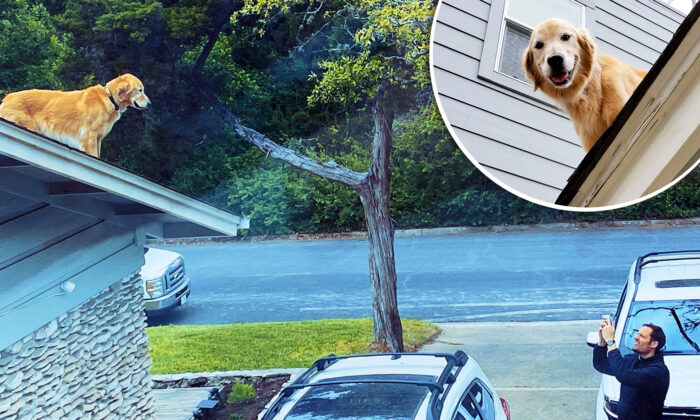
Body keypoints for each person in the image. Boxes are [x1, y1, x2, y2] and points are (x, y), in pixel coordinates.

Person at [593, 319, 670, 420]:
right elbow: (601, 364)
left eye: (641, 336)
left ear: (653, 344)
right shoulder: (632, 360)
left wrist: (611, 342)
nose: (636, 338)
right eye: (637, 334)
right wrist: (602, 342)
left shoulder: (657, 371)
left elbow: (625, 376)